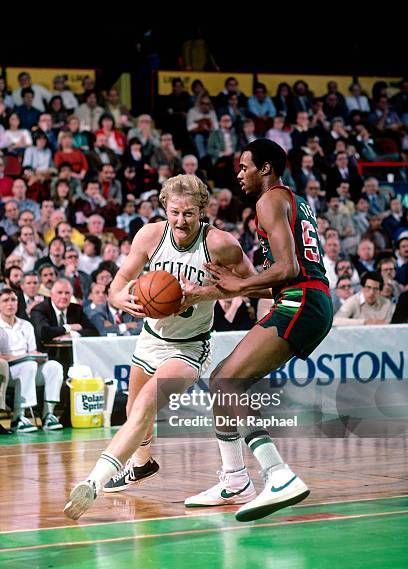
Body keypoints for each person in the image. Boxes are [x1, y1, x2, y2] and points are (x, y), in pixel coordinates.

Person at [63, 174, 255, 519]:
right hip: (150, 338)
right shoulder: (150, 235)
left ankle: (92, 482)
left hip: (189, 346)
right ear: (165, 207)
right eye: (175, 212)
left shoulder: (222, 244)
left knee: (144, 407)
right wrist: (124, 299)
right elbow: (117, 286)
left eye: (189, 214)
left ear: (203, 212)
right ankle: (141, 463)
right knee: (134, 412)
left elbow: (257, 286)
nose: (181, 221)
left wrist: (208, 292)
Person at [183, 139, 333, 522]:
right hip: (306, 299)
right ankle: (235, 480)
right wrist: (214, 290)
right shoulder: (292, 201)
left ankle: (278, 474)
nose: (239, 174)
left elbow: (287, 270)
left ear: (265, 168)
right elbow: (285, 275)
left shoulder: (268, 201)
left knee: (226, 382)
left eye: (244, 166)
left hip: (301, 300)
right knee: (222, 381)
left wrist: (237, 286)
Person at [0, 288, 64, 432]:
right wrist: (22, 358)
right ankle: (18, 417)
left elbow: (32, 351)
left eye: (13, 300)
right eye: (5, 300)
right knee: (28, 365)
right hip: (8, 372)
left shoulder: (26, 325)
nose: (10, 304)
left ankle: (49, 414)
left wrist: (39, 357)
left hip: (29, 368)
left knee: (54, 366)